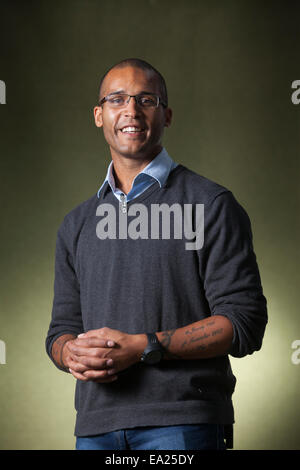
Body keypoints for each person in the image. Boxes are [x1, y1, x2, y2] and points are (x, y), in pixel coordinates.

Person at [46, 58, 268, 451]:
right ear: (99, 115)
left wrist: (146, 346)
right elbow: (60, 331)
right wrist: (70, 353)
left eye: (145, 99)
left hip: (183, 425)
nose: (131, 110)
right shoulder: (76, 224)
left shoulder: (211, 204)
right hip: (95, 428)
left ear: (166, 114)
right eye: (117, 99)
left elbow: (245, 324)